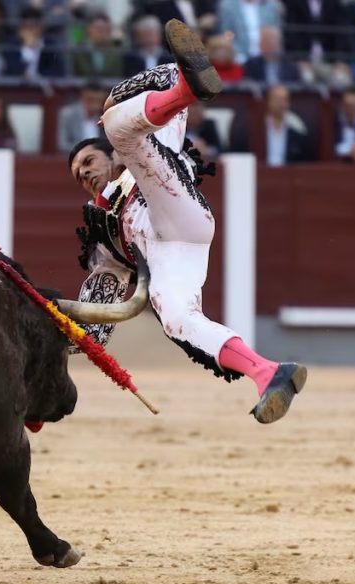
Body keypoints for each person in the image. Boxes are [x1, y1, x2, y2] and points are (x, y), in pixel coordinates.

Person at [68, 19, 307, 423]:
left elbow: (149, 107)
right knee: (178, 319)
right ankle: (267, 372)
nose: (85, 173)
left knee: (120, 126)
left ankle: (184, 85)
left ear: (106, 156)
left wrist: (121, 96)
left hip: (172, 201)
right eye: (77, 174)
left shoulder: (134, 150)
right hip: (172, 251)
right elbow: (97, 318)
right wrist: (63, 331)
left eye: (88, 161)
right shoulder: (101, 234)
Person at [229, 84, 311, 165]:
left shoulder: (296, 137)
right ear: (268, 101)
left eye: (284, 99)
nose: (281, 104)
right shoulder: (252, 133)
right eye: (277, 99)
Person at [2, 7, 64, 78]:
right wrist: (27, 49)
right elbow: (13, 71)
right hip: (18, 88)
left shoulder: (50, 44)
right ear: (20, 28)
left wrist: (38, 78)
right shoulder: (11, 45)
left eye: (33, 27)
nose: (30, 31)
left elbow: (58, 71)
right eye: (26, 27)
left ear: (41, 27)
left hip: (42, 87)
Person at [217, 0, 281, 63]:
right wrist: (233, 47)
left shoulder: (270, 5)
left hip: (265, 54)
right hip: (239, 54)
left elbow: (275, 31)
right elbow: (227, 31)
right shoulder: (228, 5)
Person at [70, 13, 123, 79]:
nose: (100, 32)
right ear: (89, 29)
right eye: (97, 28)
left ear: (109, 31)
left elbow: (118, 76)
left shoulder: (117, 53)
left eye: (103, 29)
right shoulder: (79, 51)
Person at [57, 81, 107, 152]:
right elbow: (61, 145)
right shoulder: (67, 115)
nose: (95, 105)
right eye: (91, 100)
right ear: (81, 98)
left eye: (99, 101)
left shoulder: (103, 118)